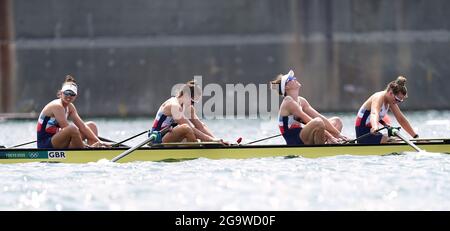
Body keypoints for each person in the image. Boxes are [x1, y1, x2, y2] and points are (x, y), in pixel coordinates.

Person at [270, 70, 348, 145]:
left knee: (337, 121)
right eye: (291, 79)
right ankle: (326, 146)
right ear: (286, 87)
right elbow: (308, 120)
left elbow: (318, 116)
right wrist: (331, 136)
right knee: (318, 122)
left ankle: (331, 143)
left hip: (303, 135)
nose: (295, 79)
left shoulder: (301, 100)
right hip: (295, 140)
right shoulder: (288, 101)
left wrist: (338, 134)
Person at [36, 75, 108, 149]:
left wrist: (99, 141)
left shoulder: (70, 107)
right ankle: (87, 149)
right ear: (61, 93)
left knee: (91, 126)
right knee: (72, 128)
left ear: (75, 96)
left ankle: (95, 150)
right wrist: (87, 146)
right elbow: (67, 128)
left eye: (72, 94)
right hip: (45, 144)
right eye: (67, 93)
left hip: (59, 140)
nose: (69, 96)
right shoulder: (57, 106)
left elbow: (82, 126)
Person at [150, 80, 226, 144]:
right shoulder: (173, 105)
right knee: (186, 128)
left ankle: (195, 147)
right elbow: (189, 127)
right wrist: (211, 140)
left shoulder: (189, 108)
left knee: (195, 131)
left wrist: (216, 140)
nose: (193, 104)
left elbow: (200, 126)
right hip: (157, 139)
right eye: (192, 101)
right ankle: (194, 149)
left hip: (170, 136)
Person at [355, 76, 418, 144]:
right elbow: (374, 113)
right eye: (397, 99)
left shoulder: (391, 100)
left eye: (400, 100)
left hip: (372, 131)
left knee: (397, 140)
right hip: (363, 132)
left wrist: (415, 136)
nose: (397, 102)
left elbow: (401, 119)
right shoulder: (378, 97)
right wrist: (375, 126)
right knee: (394, 141)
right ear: (390, 93)